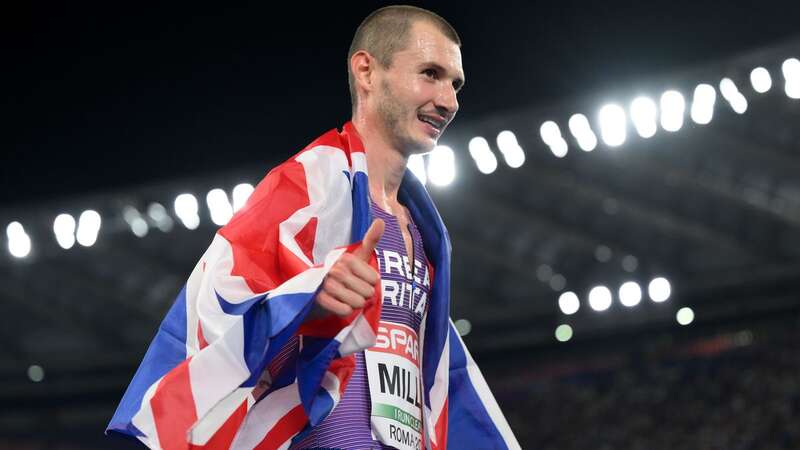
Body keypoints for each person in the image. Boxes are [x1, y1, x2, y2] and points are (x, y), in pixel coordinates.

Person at [107, 5, 519, 450]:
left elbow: (439, 378)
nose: (449, 101)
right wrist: (306, 299)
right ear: (366, 71)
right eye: (430, 74)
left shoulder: (424, 231)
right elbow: (217, 306)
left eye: (455, 84)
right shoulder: (305, 188)